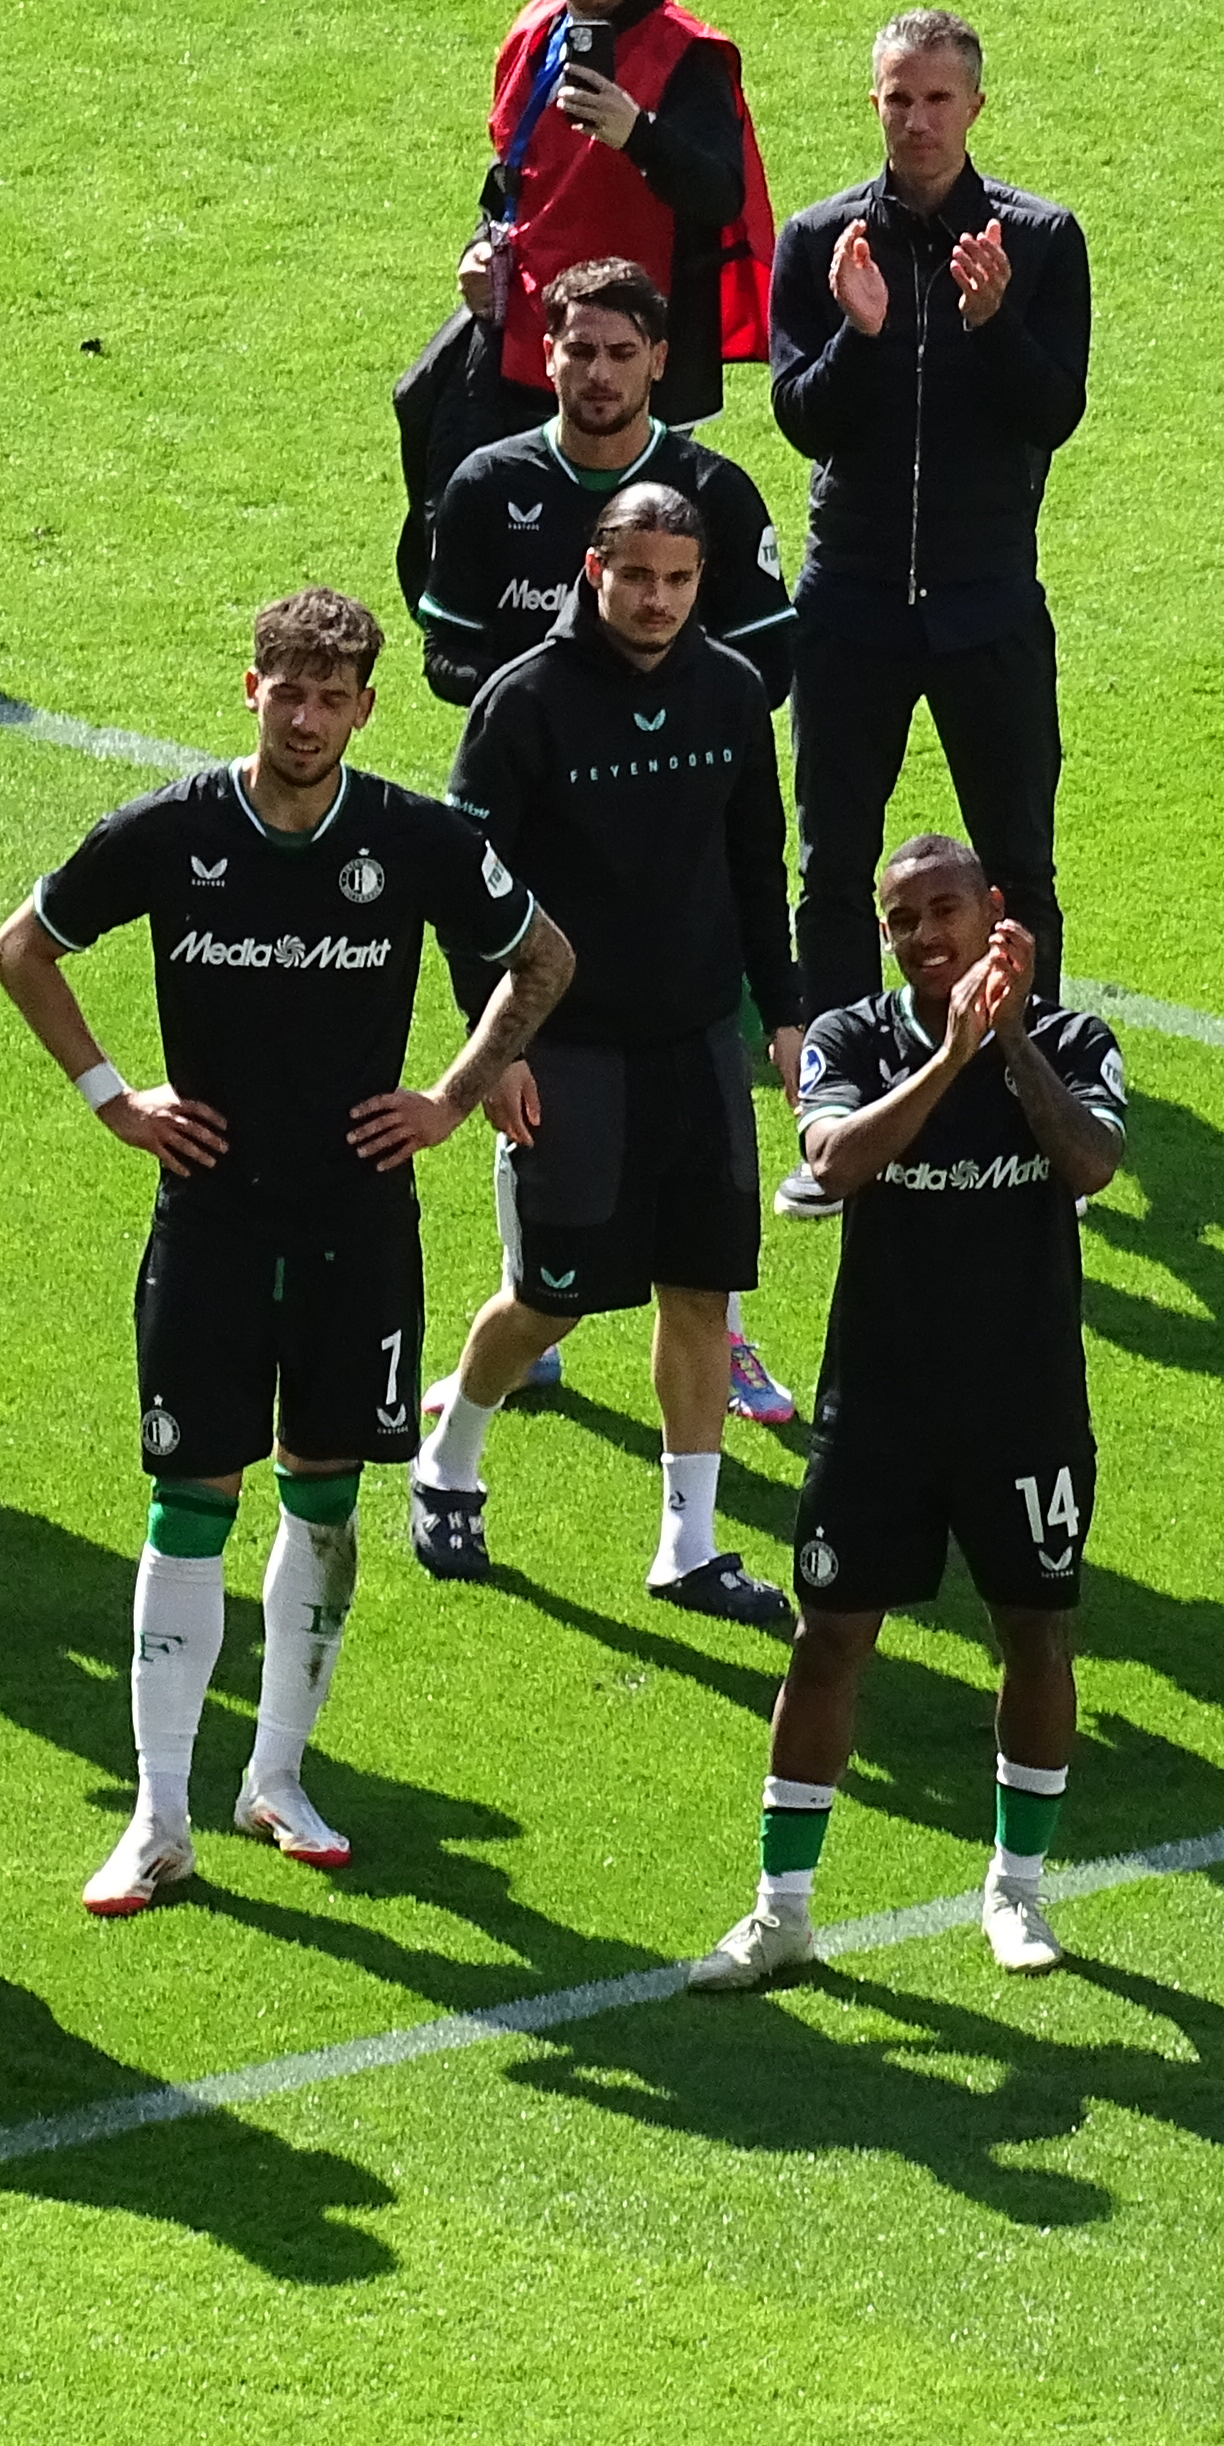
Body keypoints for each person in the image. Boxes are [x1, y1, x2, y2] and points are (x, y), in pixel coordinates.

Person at [0, 589, 570, 1914]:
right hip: (211, 1213)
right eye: (287, 691)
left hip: (356, 1221)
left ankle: (277, 1779)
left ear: (367, 705)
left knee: (324, 1491)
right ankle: (155, 1816)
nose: (307, 718)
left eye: (333, 696)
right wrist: (114, 1100)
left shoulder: (416, 839)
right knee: (190, 1492)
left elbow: (542, 960)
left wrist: (457, 1091)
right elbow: (21, 948)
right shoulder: (175, 830)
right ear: (248, 690)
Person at [703, 834, 1124, 1988]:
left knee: (1034, 1632)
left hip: (1025, 1408)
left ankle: (1016, 1889)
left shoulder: (1077, 1039)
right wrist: (947, 1062)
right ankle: (780, 1910)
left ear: (992, 913)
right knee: (829, 1636)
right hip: (878, 1408)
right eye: (903, 921)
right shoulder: (853, 1039)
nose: (927, 937)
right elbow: (832, 1161)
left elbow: (1090, 1164)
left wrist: (1013, 1046)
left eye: (946, 912)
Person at [413, 483, 809, 1624]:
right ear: (594, 572)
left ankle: (689, 1547)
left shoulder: (732, 693)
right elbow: (464, 891)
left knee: (703, 1292)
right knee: (549, 1299)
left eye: (679, 580)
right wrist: (497, 1051)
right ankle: (449, 1462)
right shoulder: (523, 702)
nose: (658, 600)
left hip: (694, 1046)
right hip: (567, 1046)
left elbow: (755, 864)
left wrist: (781, 1015)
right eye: (636, 577)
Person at [769, 7, 1093, 1046]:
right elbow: (801, 420)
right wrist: (861, 337)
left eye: (937, 99)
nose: (916, 121)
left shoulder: (1038, 242)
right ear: (875, 103)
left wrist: (994, 326)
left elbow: (1053, 414)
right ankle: (833, 1088)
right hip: (850, 598)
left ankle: (1024, 1077)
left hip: (987, 599)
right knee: (830, 865)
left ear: (975, 107)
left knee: (1016, 864)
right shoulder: (821, 241)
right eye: (898, 98)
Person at [395, 0, 774, 601]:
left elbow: (720, 194)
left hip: (622, 360)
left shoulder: (688, 56)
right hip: (521, 332)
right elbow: (509, 176)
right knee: (427, 427)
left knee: (611, 571)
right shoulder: (537, 30)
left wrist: (637, 133)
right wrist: (479, 250)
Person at [416, 257, 793, 711]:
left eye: (621, 353)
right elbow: (446, 654)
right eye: (580, 352)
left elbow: (769, 663)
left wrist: (648, 708)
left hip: (671, 764)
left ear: (658, 360)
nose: (599, 375)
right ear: (548, 358)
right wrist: (545, 703)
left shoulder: (715, 492)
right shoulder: (486, 485)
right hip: (532, 768)